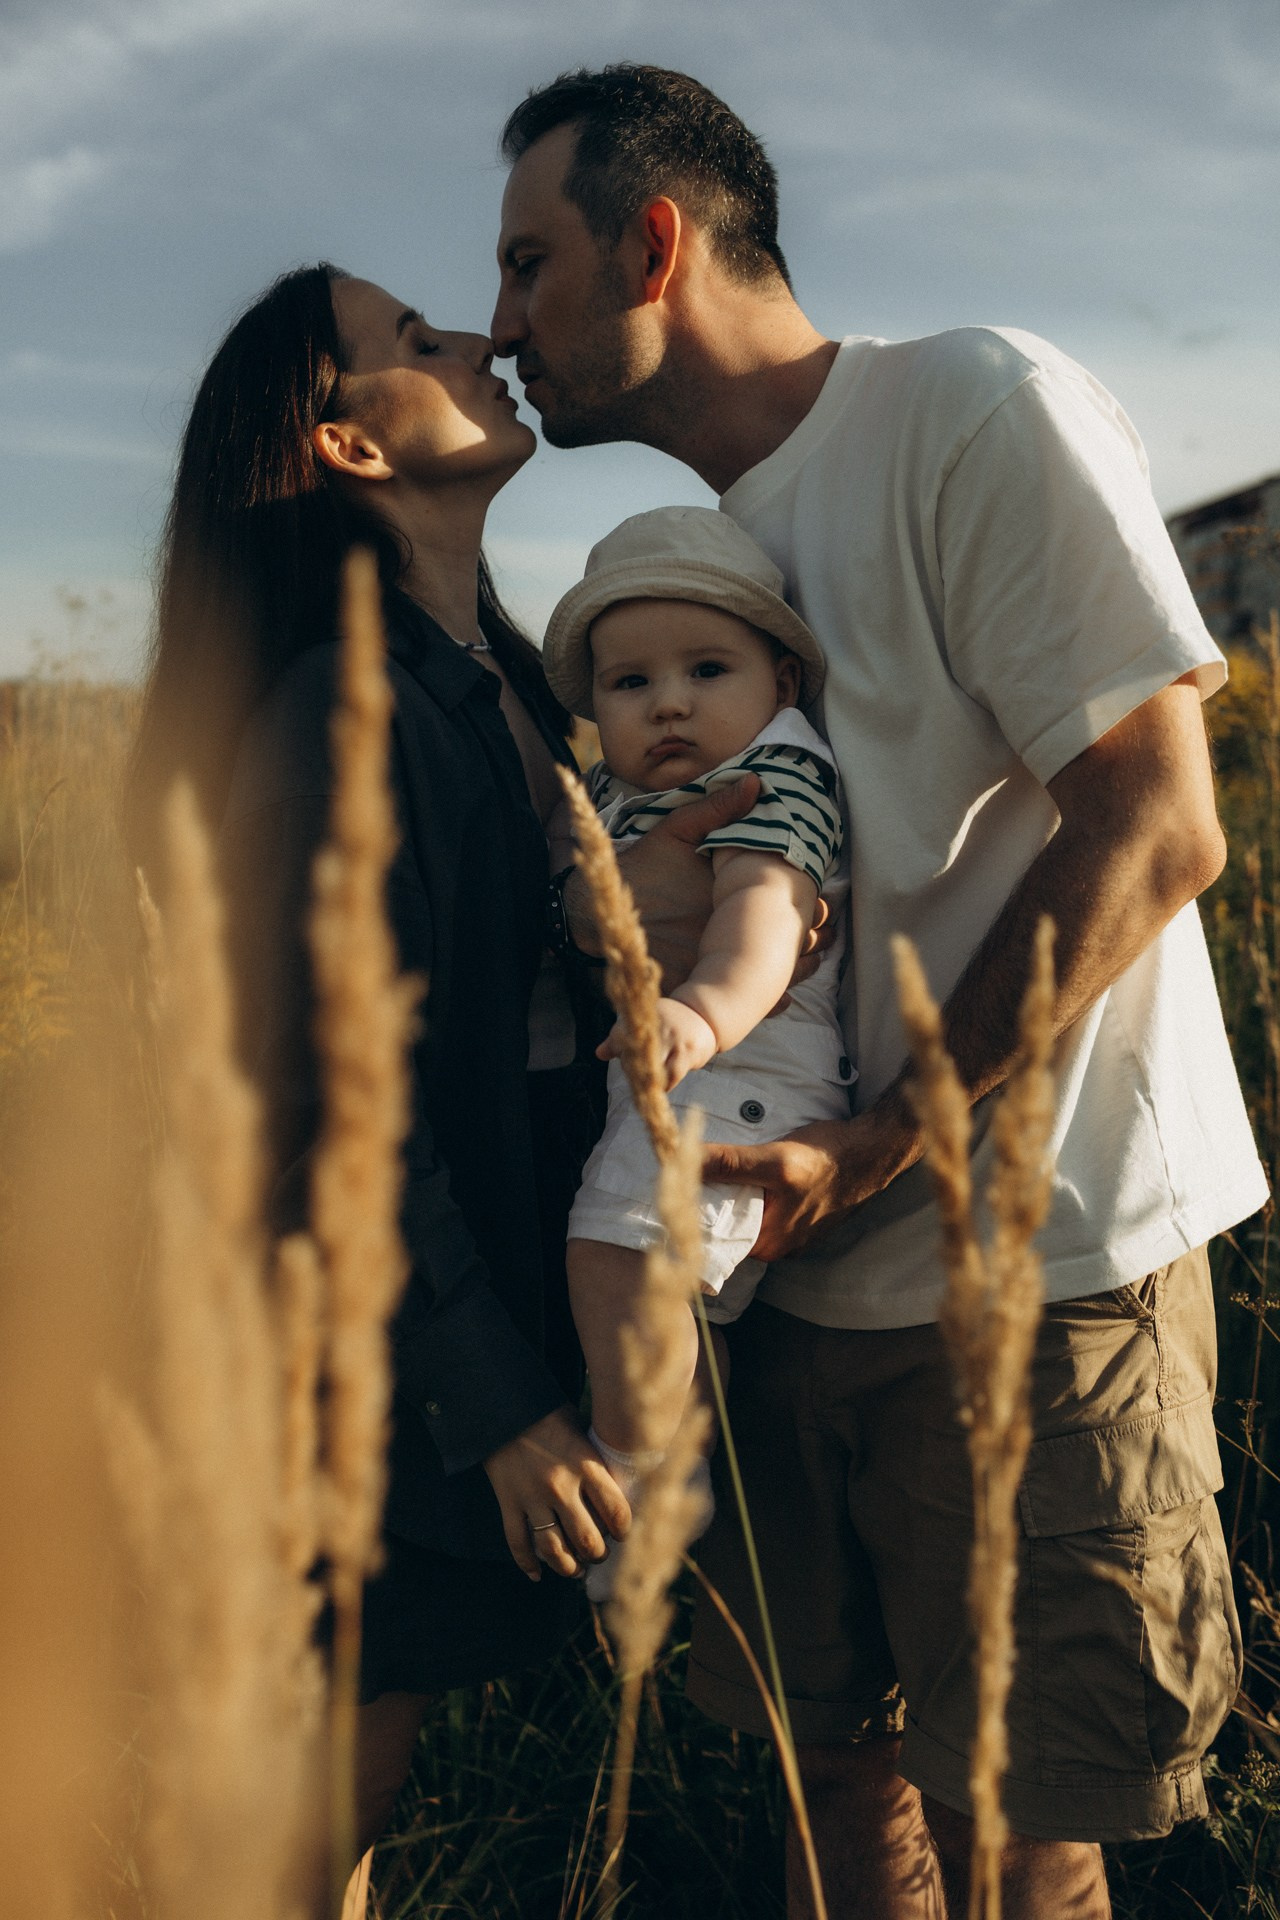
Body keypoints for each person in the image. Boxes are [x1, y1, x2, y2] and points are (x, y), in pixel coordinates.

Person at [490, 64, 1268, 1920]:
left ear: (655, 244)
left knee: (1021, 1827)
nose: (503, 324)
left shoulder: (970, 407)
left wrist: (888, 1138)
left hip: (1028, 1280)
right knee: (830, 1785)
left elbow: (1159, 828)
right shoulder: (710, 559)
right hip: (778, 1286)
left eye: (531, 264)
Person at [123, 263, 653, 1882]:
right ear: (350, 449)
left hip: (497, 1267)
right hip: (404, 1336)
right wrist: (493, 1408)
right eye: (415, 344)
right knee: (331, 1781)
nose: (480, 340)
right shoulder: (337, 711)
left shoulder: (492, 677)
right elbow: (329, 1102)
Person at [540, 504, 853, 1585]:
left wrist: (702, 1010)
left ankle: (642, 1476)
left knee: (610, 1252)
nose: (667, 702)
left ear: (782, 682)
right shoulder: (624, 790)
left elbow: (767, 913)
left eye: (705, 668)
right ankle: (667, 1454)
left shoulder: (771, 774)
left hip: (740, 1064)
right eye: (629, 686)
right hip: (686, 1071)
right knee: (645, 1282)